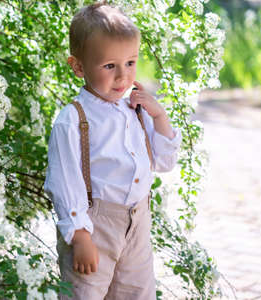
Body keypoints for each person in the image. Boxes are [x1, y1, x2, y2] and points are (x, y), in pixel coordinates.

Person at [43, 3, 182, 300]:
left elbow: (164, 162)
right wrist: (79, 234)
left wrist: (159, 117)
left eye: (130, 63)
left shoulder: (137, 107)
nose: (122, 76)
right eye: (110, 66)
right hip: (94, 225)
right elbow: (65, 180)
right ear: (78, 67)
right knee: (85, 292)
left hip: (138, 221)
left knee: (137, 293)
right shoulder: (73, 120)